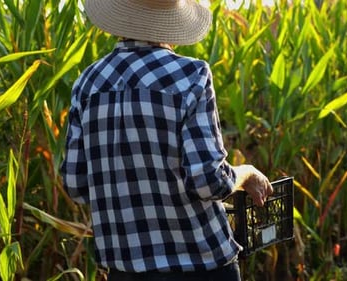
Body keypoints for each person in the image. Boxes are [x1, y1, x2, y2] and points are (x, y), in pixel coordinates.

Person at [60, 0, 273, 280]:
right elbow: (208, 181)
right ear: (171, 20)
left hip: (126, 269)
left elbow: (75, 184)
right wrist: (246, 174)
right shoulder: (191, 75)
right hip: (201, 265)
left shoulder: (86, 84)